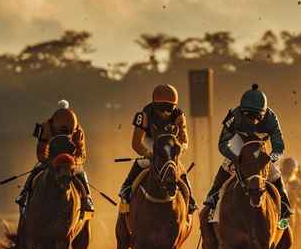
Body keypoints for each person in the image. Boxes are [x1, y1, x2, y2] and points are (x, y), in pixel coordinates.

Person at [203, 84, 292, 228]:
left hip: (260, 148)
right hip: (239, 145)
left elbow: (279, 147)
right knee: (226, 165)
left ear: (263, 114)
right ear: (241, 110)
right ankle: (212, 200)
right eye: (248, 116)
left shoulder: (272, 118)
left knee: (275, 174)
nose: (252, 120)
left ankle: (285, 211)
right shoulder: (233, 115)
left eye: (256, 116)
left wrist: (269, 159)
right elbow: (223, 143)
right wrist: (235, 158)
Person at [118, 84, 197, 213]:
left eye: (169, 108)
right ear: (154, 105)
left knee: (178, 167)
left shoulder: (179, 116)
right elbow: (136, 143)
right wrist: (149, 154)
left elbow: (184, 141)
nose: (165, 112)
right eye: (161, 108)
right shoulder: (144, 114)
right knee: (143, 162)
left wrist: (176, 152)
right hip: (150, 141)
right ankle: (126, 188)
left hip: (170, 143)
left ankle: (190, 199)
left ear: (175, 106)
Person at [16, 100, 94, 214]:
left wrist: (73, 162)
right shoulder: (48, 126)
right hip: (52, 161)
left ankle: (86, 198)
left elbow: (81, 153)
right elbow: (42, 149)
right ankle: (25, 194)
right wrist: (47, 160)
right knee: (36, 171)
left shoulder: (76, 129)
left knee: (36, 170)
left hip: (68, 163)